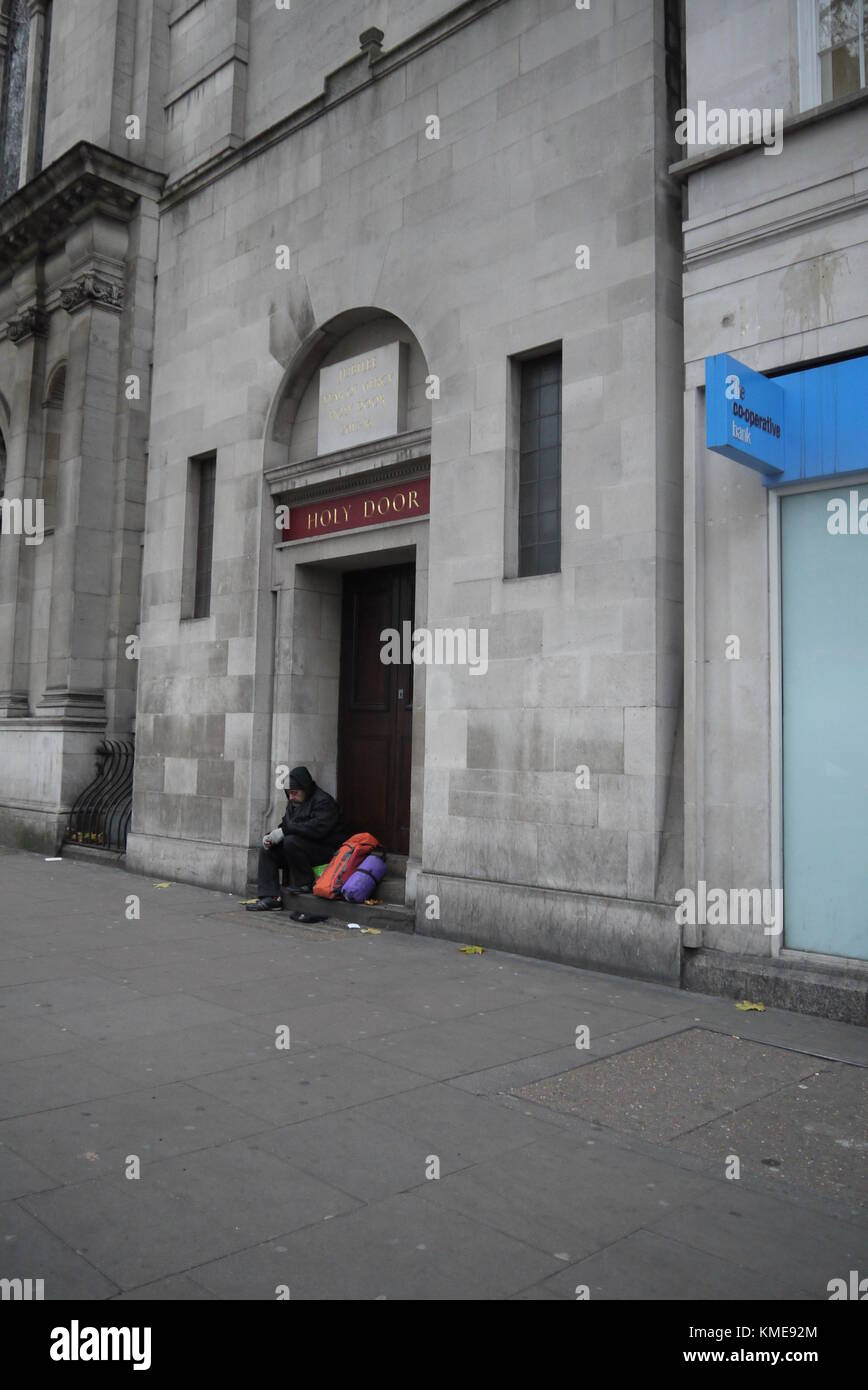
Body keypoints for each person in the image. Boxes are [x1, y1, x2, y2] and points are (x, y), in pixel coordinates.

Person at [246, 765, 345, 912]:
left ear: (305, 789)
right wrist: (271, 836)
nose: (291, 797)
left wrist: (285, 831)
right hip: (298, 849)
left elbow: (317, 830)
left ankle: (305, 882)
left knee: (291, 841)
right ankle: (270, 897)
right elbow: (285, 825)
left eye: (294, 793)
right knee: (268, 849)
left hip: (324, 850)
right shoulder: (294, 802)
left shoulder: (324, 802)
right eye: (289, 793)